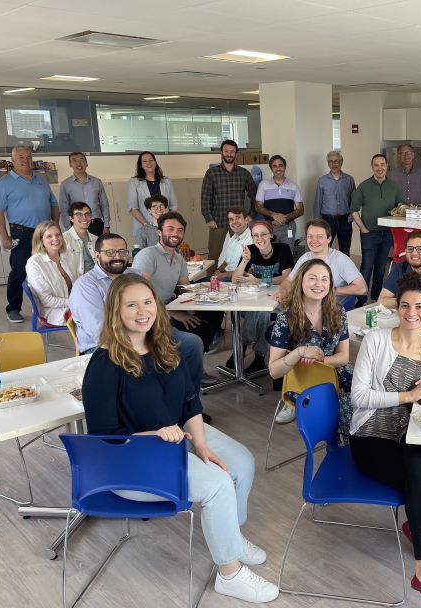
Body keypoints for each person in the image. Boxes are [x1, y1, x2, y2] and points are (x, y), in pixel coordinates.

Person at [81, 273, 278, 604]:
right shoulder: (104, 364)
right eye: (131, 305)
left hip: (174, 436)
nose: (142, 311)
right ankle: (229, 574)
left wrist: (200, 445)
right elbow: (105, 437)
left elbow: (189, 402)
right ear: (115, 311)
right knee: (216, 483)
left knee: (241, 461)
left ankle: (232, 535)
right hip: (130, 459)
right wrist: (154, 434)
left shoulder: (165, 347)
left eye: (147, 302)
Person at [350, 273, 421, 601]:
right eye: (405, 304)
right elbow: (359, 398)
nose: (411, 312)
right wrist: (407, 397)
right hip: (370, 433)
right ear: (397, 307)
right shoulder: (375, 341)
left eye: (419, 306)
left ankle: (417, 541)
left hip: (410, 429)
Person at [68, 233, 213, 391]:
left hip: (145, 333)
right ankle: (157, 405)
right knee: (149, 361)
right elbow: (101, 332)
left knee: (192, 344)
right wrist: (144, 345)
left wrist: (164, 326)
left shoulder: (135, 274)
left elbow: (153, 306)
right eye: (110, 252)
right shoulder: (86, 286)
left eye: (123, 252)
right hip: (105, 346)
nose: (118, 257)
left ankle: (188, 402)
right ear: (97, 255)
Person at [268, 260, 354, 427]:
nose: (319, 284)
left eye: (324, 279)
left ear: (330, 285)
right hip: (303, 383)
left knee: (368, 399)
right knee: (346, 408)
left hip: (336, 375)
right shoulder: (285, 318)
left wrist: (319, 361)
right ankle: (338, 444)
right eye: (312, 278)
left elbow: (344, 357)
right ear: (301, 281)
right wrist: (299, 352)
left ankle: (350, 445)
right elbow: (274, 371)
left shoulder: (338, 311)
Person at [132, 212, 223, 353]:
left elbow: (185, 288)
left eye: (180, 230)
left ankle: (196, 358)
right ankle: (188, 361)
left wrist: (202, 301)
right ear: (159, 232)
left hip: (172, 305)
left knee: (214, 313)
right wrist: (174, 313)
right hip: (152, 312)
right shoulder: (147, 255)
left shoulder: (178, 258)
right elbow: (139, 296)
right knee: (195, 333)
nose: (176, 233)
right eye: (170, 229)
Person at [0, 145, 60, 323]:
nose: (25, 160)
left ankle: (51, 307)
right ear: (13, 160)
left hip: (45, 234)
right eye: (20, 157)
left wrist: (56, 229)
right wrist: (4, 237)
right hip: (21, 234)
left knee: (50, 269)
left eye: (28, 157)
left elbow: (54, 205)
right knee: (19, 271)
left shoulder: (41, 180)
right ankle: (13, 308)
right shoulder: (3, 184)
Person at [230, 220, 294, 375]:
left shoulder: (283, 249)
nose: (260, 238)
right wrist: (245, 261)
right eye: (255, 235)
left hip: (280, 295)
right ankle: (249, 351)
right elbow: (234, 279)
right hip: (256, 296)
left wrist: (259, 280)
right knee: (256, 310)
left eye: (264, 234)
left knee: (263, 312)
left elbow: (286, 277)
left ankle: (251, 351)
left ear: (271, 235)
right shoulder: (250, 250)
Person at [351, 153, 404, 307]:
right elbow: (354, 209)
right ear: (372, 167)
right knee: (367, 266)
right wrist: (362, 228)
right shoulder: (364, 186)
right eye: (376, 165)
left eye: (382, 165)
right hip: (369, 233)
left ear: (387, 166)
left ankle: (375, 298)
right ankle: (360, 299)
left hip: (388, 233)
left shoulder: (394, 187)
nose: (379, 168)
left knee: (381, 267)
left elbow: (402, 208)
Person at [277, 219, 367, 309]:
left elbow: (362, 289)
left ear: (329, 239)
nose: (314, 240)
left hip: (331, 311)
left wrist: (331, 290)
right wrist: (282, 292)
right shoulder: (305, 257)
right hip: (307, 307)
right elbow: (289, 281)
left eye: (319, 236)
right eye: (310, 236)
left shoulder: (340, 259)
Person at [201, 139, 258, 261]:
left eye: (232, 151)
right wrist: (209, 218)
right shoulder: (211, 173)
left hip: (239, 224)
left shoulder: (244, 173)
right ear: (221, 152)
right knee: (214, 258)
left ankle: (235, 279)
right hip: (218, 223)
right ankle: (212, 280)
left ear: (236, 154)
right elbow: (205, 199)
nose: (229, 154)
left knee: (240, 256)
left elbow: (255, 197)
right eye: (226, 151)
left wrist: (251, 215)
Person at [25, 220, 81, 327]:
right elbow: (46, 300)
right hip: (53, 311)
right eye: (49, 236)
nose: (55, 239)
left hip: (72, 303)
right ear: (41, 240)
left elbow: (78, 281)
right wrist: (74, 302)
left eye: (57, 235)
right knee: (94, 313)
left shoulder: (67, 255)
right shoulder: (34, 263)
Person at [254, 155, 303, 250]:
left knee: (287, 254)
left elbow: (300, 209)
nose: (278, 168)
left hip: (288, 227)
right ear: (271, 168)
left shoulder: (293, 186)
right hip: (269, 227)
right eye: (274, 166)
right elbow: (258, 207)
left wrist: (284, 218)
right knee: (270, 254)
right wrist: (274, 215)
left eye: (280, 165)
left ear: (284, 167)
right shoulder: (263, 185)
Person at [127, 151, 178, 237]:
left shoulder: (166, 181)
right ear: (141, 165)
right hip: (143, 227)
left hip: (164, 227)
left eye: (151, 160)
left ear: (155, 162)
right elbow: (133, 208)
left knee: (165, 250)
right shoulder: (135, 182)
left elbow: (173, 206)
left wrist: (167, 222)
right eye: (145, 161)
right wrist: (147, 226)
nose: (148, 163)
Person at [314, 150, 355, 255]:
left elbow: (354, 200)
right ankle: (325, 271)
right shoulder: (322, 181)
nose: (333, 164)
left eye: (336, 161)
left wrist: (351, 217)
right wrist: (317, 223)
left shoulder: (349, 180)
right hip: (327, 220)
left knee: (345, 251)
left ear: (341, 162)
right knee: (324, 250)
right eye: (330, 162)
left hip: (345, 220)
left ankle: (343, 272)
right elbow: (317, 202)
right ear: (328, 163)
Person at [58, 152, 110, 235]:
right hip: (76, 225)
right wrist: (69, 229)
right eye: (74, 160)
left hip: (96, 224)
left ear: (86, 163)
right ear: (70, 165)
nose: (78, 163)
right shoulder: (65, 184)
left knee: (99, 247)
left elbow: (104, 204)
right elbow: (64, 209)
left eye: (81, 160)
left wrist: (106, 225)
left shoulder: (97, 182)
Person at [214, 207, 252, 280]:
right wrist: (217, 270)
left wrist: (222, 275)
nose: (234, 222)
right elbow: (226, 262)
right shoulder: (232, 239)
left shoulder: (251, 240)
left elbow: (248, 271)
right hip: (225, 276)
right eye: (231, 219)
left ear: (246, 220)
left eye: (237, 218)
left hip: (237, 280)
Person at [62, 202, 98, 275]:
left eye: (87, 214)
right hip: (78, 281)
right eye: (79, 215)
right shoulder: (63, 239)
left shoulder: (96, 239)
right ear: (71, 218)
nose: (84, 218)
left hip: (97, 277)